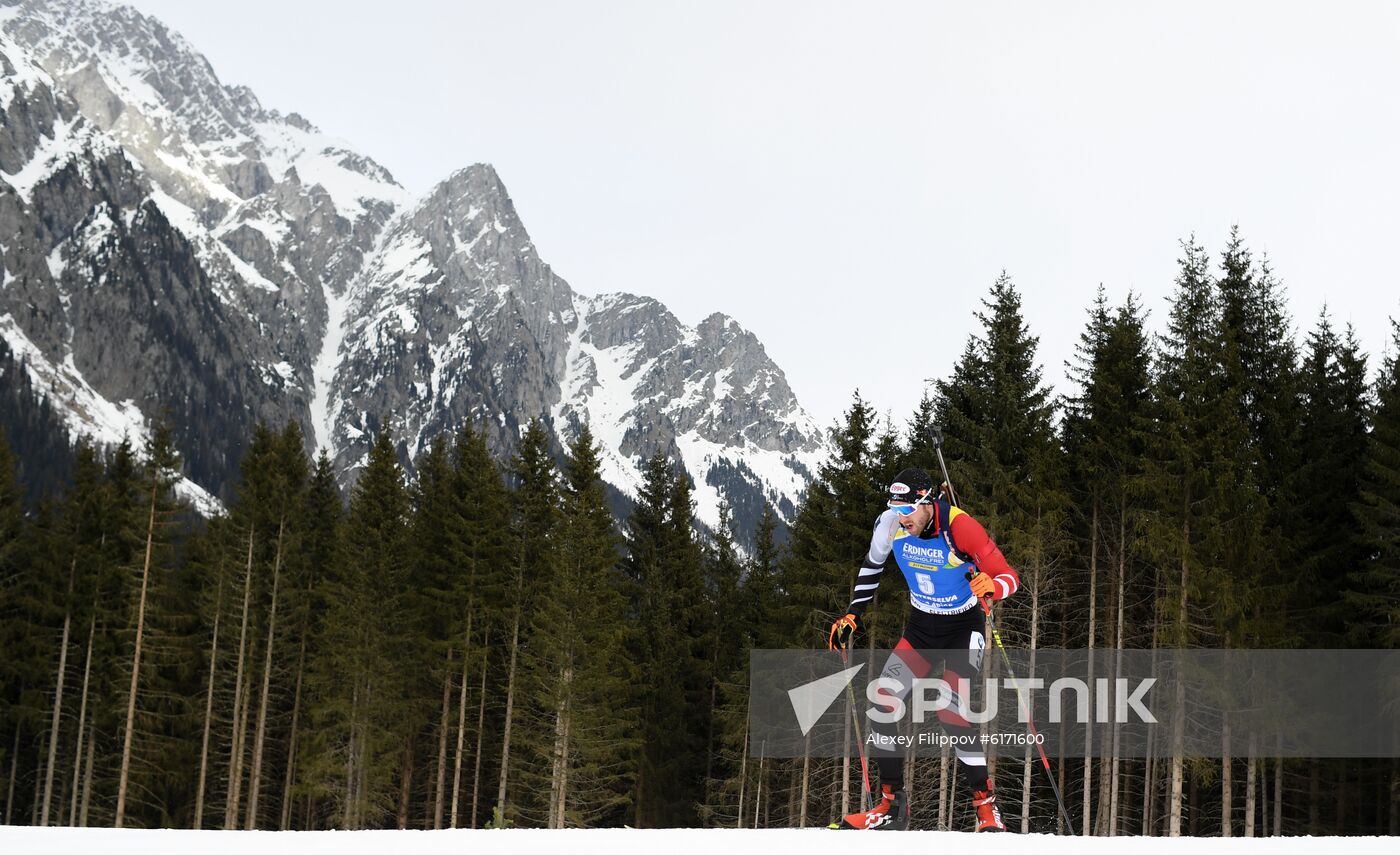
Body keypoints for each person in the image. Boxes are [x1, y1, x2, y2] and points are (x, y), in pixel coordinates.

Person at [827, 467, 1019, 831]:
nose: (903, 518)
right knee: (882, 700)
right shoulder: (890, 523)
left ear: (929, 502)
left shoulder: (961, 527)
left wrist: (991, 587)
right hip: (921, 628)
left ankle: (986, 808)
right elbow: (872, 567)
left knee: (949, 706)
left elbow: (1010, 576)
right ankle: (891, 807)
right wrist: (853, 614)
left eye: (909, 510)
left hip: (963, 627)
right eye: (896, 510)